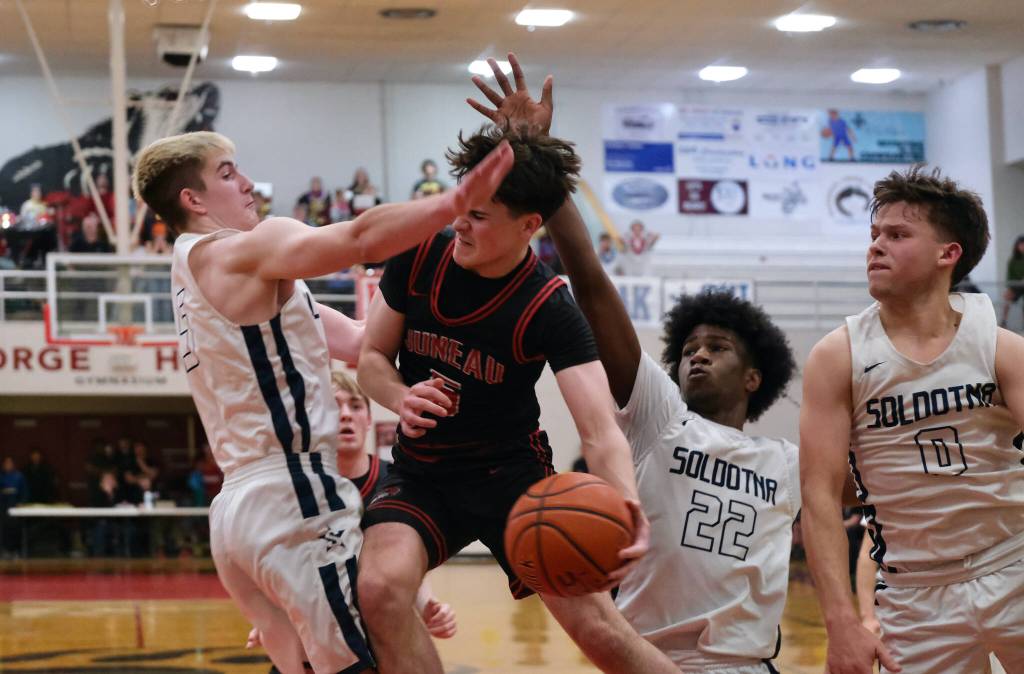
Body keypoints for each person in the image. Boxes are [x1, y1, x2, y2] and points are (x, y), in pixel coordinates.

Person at [132, 128, 511, 674]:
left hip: (239, 511)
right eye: (226, 172)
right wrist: (455, 203)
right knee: (361, 665)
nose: (245, 182)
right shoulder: (242, 251)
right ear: (192, 200)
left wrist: (446, 297)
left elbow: (362, 342)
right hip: (292, 493)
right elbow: (359, 239)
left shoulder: (215, 273)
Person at [478, 56, 801, 673]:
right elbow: (592, 283)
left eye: (718, 347)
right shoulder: (661, 417)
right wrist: (539, 164)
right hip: (652, 661)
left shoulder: (788, 463)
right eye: (688, 348)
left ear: (755, 378)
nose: (697, 354)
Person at [356, 53, 677, 674]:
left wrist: (625, 504)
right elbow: (371, 358)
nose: (458, 222)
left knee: (598, 629)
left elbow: (600, 430)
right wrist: (399, 397)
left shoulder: (546, 304)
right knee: (379, 587)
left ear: (530, 225)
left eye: (477, 215)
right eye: (460, 204)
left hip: (513, 478)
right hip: (424, 474)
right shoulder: (418, 254)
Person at [800, 166, 1024, 674]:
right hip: (914, 592)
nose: (876, 246)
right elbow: (818, 494)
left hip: (1013, 562)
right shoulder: (838, 356)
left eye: (897, 235)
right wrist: (841, 623)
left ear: (949, 254)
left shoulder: (1000, 345)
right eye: (874, 234)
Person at [246, 370, 457, 666]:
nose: (346, 415)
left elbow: (401, 564)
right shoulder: (297, 488)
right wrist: (270, 617)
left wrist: (428, 606)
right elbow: (282, 566)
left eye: (356, 406)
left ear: (368, 420)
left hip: (376, 636)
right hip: (312, 636)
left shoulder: (398, 481)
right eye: (334, 406)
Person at [0, 456, 28, 558]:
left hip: (15, 506)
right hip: (3, 507)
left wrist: (22, 502)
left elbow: (25, 491)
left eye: (10, 463)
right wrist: (3, 492)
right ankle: (5, 550)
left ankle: (16, 550)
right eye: (6, 463)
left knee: (15, 528)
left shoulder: (19, 476)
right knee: (4, 529)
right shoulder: (1, 476)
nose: (8, 465)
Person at [1000, 234, 1024, 328]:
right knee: (1007, 296)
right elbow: (1009, 277)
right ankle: (1004, 321)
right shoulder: (1012, 260)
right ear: (1017, 246)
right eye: (1021, 244)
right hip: (1016, 286)